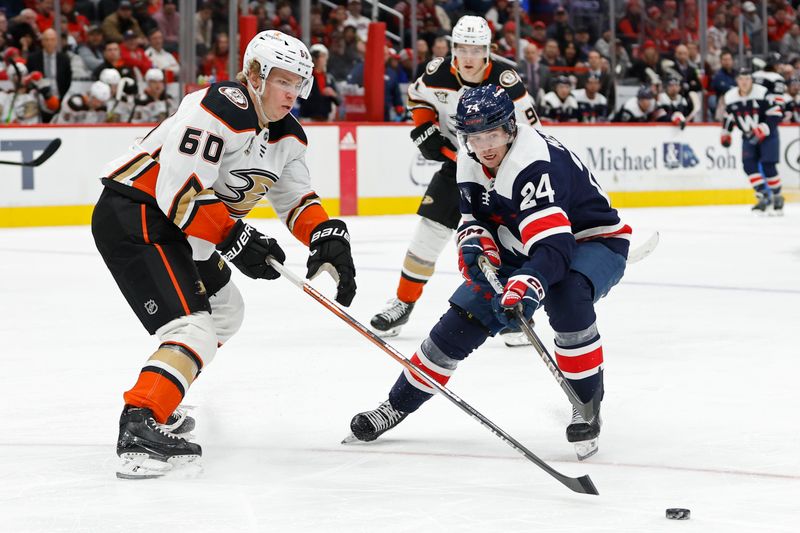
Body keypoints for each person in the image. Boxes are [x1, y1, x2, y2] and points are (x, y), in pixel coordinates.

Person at [91, 30, 357, 478]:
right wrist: (235, 238)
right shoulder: (220, 106)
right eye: (283, 81)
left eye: (300, 82)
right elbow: (179, 192)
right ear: (254, 74)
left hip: (183, 230)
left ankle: (164, 394)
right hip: (138, 214)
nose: (293, 93)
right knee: (193, 328)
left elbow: (296, 200)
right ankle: (140, 422)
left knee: (225, 311)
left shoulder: (288, 137)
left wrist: (326, 236)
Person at [347, 84, 630, 461]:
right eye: (475, 137)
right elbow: (475, 218)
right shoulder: (470, 158)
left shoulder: (533, 164)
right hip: (523, 241)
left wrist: (527, 282)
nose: (485, 146)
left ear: (510, 128)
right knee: (462, 318)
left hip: (590, 240)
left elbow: (555, 248)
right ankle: (396, 404)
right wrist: (475, 241)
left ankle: (586, 408)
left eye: (492, 134)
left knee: (567, 295)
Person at [369, 15, 540, 341]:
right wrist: (423, 127)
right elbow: (418, 98)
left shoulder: (506, 80)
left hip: (499, 173)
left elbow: (534, 132)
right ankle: (403, 303)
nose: (469, 57)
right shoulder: (438, 73)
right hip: (457, 167)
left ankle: (514, 313)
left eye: (476, 49)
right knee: (427, 235)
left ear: (487, 51)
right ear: (453, 48)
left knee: (507, 243)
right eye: (462, 48)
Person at [720, 68, 784, 214]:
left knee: (768, 166)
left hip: (768, 135)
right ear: (737, 81)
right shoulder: (730, 96)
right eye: (741, 79)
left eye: (747, 79)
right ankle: (763, 195)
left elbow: (776, 112)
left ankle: (777, 195)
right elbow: (728, 116)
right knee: (748, 165)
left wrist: (765, 127)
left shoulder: (762, 92)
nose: (744, 82)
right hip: (748, 135)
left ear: (751, 80)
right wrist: (726, 133)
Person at [25, 27, 72, 121]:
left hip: (59, 98)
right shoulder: (33, 58)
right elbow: (29, 78)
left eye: (52, 39)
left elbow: (68, 80)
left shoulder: (64, 59)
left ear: (56, 41)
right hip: (39, 100)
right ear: (42, 41)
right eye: (46, 39)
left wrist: (61, 97)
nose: (49, 42)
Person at [299, 43, 340, 121]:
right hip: (307, 118)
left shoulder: (329, 78)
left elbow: (339, 101)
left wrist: (333, 94)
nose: (321, 59)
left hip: (325, 119)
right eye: (318, 56)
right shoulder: (306, 77)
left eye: (324, 56)